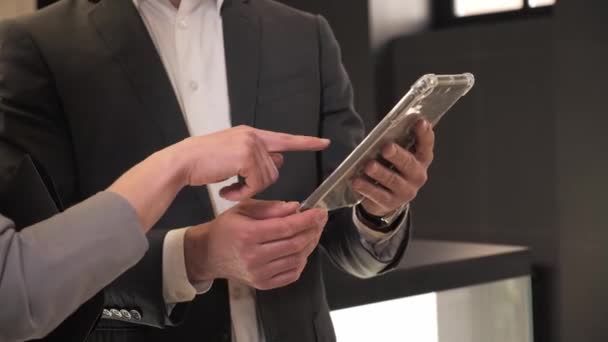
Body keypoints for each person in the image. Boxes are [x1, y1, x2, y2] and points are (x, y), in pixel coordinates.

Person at [0, 0, 436, 341]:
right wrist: (192, 257)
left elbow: (345, 236)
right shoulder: (40, 46)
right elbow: (34, 270)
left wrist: (380, 210)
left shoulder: (305, 34)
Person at [0, 126, 330, 341]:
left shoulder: (306, 34)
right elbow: (19, 285)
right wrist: (178, 165)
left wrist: (375, 218)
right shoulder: (39, 45)